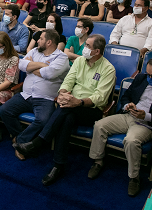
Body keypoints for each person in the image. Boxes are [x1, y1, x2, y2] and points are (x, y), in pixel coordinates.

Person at [13, 34, 115, 186]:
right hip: (70, 105)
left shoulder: (108, 69)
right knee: (67, 116)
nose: (84, 48)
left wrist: (78, 102)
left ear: (97, 52)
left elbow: (100, 98)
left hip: (90, 109)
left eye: (87, 46)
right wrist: (62, 94)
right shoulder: (80, 60)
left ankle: (39, 143)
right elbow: (68, 81)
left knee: (67, 111)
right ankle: (57, 165)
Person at [88, 58, 152, 196]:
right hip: (128, 116)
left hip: (146, 124)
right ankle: (98, 161)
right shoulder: (140, 78)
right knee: (99, 125)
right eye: (148, 74)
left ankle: (134, 178)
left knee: (131, 140)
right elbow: (126, 96)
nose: (149, 78)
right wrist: (128, 105)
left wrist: (147, 116)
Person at [0, 29, 70, 160]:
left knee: (43, 120)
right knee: (4, 110)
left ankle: (20, 141)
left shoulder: (62, 57)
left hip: (45, 99)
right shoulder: (34, 51)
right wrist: (43, 65)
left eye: (41, 38)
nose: (37, 40)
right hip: (25, 95)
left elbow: (49, 74)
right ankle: (20, 138)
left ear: (49, 42)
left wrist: (31, 67)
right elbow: (21, 65)